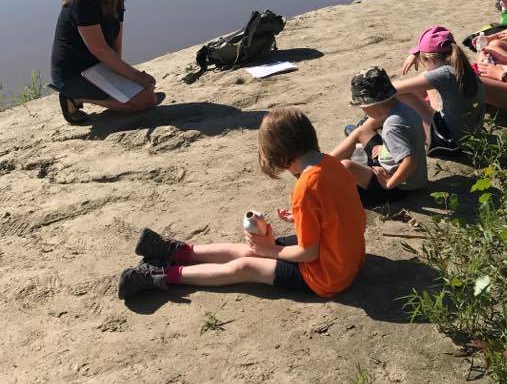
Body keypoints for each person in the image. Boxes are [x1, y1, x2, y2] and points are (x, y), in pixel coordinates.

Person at [117, 108, 366, 300]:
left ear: (279, 155)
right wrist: (299, 219)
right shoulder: (332, 163)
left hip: (329, 275)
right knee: (250, 249)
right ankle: (179, 252)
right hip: (345, 255)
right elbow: (340, 210)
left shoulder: (306, 186)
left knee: (247, 265)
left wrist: (268, 251)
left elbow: (308, 253)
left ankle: (162, 275)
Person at [50, 0, 159, 123]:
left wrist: (125, 77)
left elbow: (115, 46)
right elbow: (99, 49)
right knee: (147, 100)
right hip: (75, 73)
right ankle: (74, 97)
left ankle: (110, 94)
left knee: (148, 89)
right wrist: (137, 77)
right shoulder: (82, 1)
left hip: (98, 67)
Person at [331, 67, 427, 207]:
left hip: (398, 187)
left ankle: (318, 171)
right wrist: (387, 148)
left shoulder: (391, 126)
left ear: (371, 103)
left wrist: (388, 183)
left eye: (361, 105)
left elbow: (410, 161)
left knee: (346, 166)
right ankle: (323, 163)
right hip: (414, 177)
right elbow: (418, 138)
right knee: (362, 130)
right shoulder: (405, 109)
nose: (362, 109)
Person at [392, 26, 484, 157]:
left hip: (450, 143)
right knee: (424, 82)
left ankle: (376, 124)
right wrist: (417, 54)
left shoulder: (443, 74)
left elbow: (394, 87)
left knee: (405, 94)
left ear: (431, 59)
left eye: (422, 59)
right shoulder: (460, 66)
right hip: (472, 133)